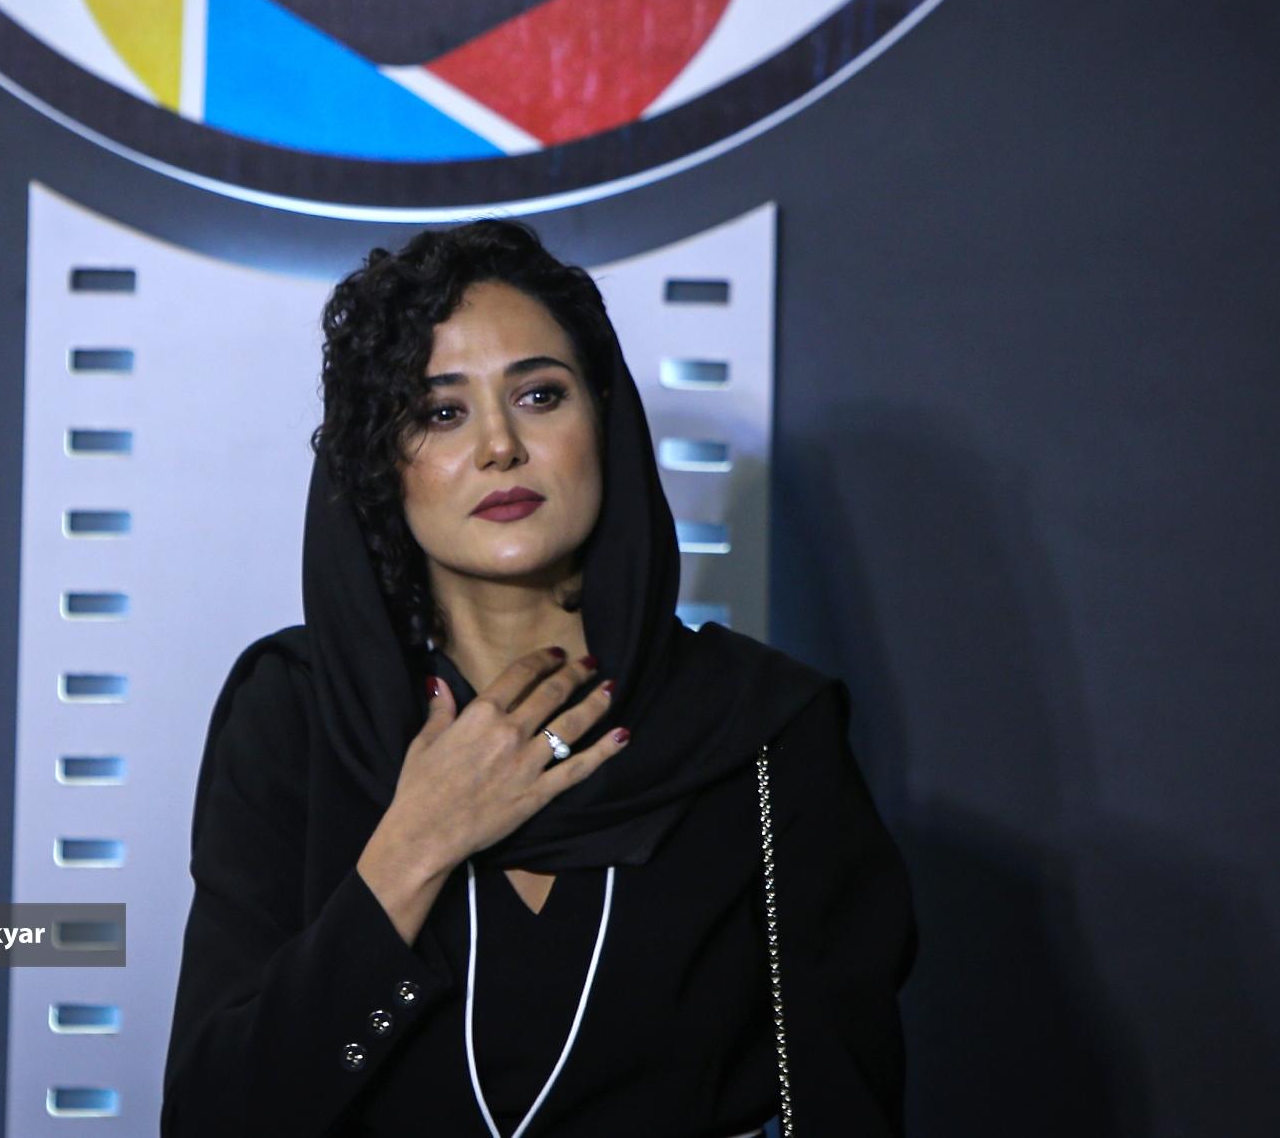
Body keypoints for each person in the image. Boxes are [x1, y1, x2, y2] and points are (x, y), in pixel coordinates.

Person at [161, 220, 917, 1136]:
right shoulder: (297, 713)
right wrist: (416, 846)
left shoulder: (761, 731)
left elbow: (841, 1105)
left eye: (539, 395)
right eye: (441, 412)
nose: (500, 446)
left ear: (604, 418)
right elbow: (217, 1119)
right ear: (377, 463)